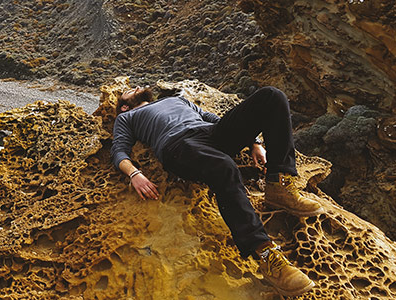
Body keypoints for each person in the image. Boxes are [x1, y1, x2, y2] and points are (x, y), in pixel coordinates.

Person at [110, 85, 322, 296]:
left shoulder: (176, 100)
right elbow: (119, 150)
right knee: (225, 166)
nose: (134, 87)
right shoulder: (127, 117)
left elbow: (210, 117)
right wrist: (134, 174)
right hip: (177, 144)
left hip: (210, 132)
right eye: (126, 91)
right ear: (124, 107)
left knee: (272, 96)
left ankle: (279, 186)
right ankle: (265, 254)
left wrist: (254, 142)